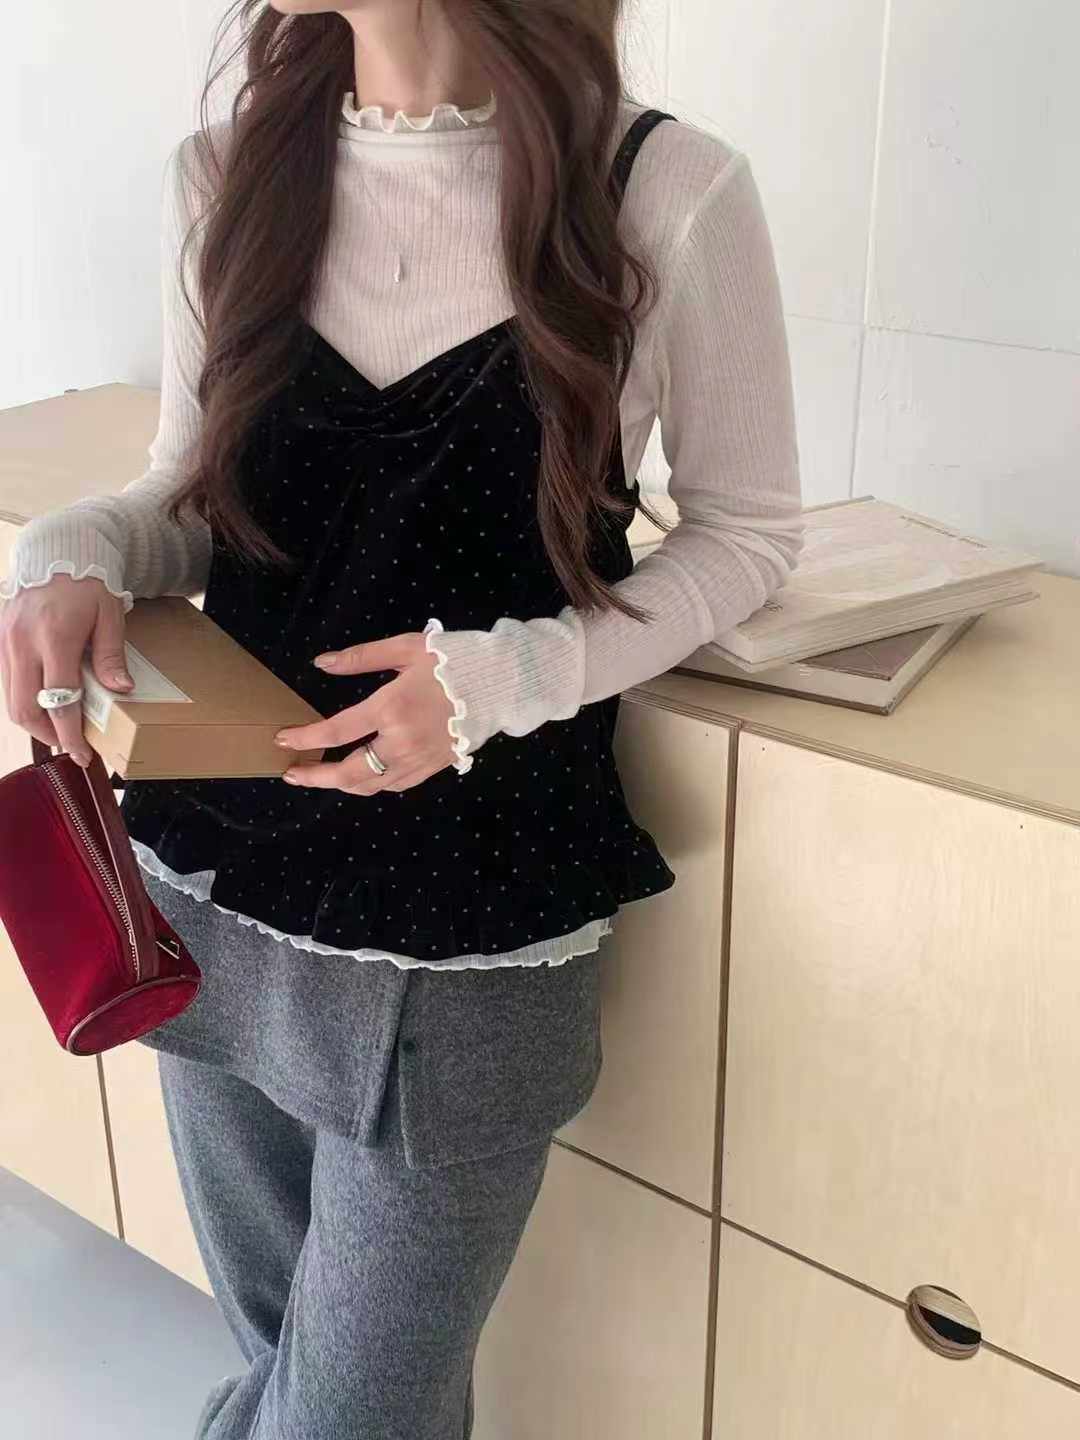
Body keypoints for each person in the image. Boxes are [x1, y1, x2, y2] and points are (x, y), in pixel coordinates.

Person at [0, 1, 802, 1435]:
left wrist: (507, 679)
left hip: (476, 925)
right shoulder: (226, 173)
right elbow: (187, 496)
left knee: (343, 1418)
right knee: (309, 1376)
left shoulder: (665, 193)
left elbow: (748, 534)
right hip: (216, 885)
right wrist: (74, 553)